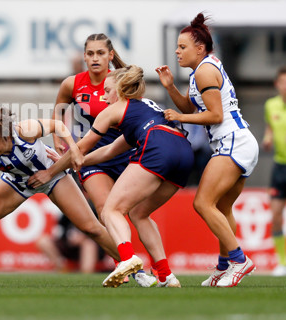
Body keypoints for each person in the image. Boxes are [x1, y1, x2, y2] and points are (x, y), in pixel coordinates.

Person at [31, 66, 194, 288]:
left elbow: (83, 147)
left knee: (111, 210)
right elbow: (107, 151)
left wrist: (53, 169)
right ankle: (166, 275)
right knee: (139, 213)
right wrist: (75, 160)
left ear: (120, 90)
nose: (104, 97)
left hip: (158, 146)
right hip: (184, 153)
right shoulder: (142, 108)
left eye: (107, 91)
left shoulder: (114, 109)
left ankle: (127, 258)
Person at [0, 109, 120, 287]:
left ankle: (132, 266)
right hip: (18, 183)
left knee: (91, 228)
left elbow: (58, 125)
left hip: (52, 176)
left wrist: (74, 150)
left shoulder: (24, 131)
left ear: (7, 136)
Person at [155, 12, 259, 287]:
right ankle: (225, 266)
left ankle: (239, 261)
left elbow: (214, 115)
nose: (177, 51)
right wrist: (170, 89)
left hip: (233, 141)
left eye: (182, 47)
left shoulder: (204, 70)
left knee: (202, 203)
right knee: (222, 207)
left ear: (199, 48)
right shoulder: (199, 71)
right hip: (239, 142)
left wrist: (180, 119)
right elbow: (191, 108)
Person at [52, 33, 156, 287]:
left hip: (124, 153)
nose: (95, 58)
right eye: (90, 53)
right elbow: (59, 107)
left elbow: (139, 113)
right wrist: (58, 134)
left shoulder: (123, 80)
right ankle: (133, 268)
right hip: (92, 159)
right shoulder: (72, 84)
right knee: (104, 211)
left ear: (110, 55)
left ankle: (159, 269)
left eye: (100, 53)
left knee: (135, 212)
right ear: (84, 56)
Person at [262, 66, 286, 276]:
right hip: (279, 166)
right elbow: (270, 126)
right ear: (277, 84)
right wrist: (268, 138)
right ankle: (283, 264)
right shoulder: (271, 105)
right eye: (283, 82)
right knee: (276, 216)